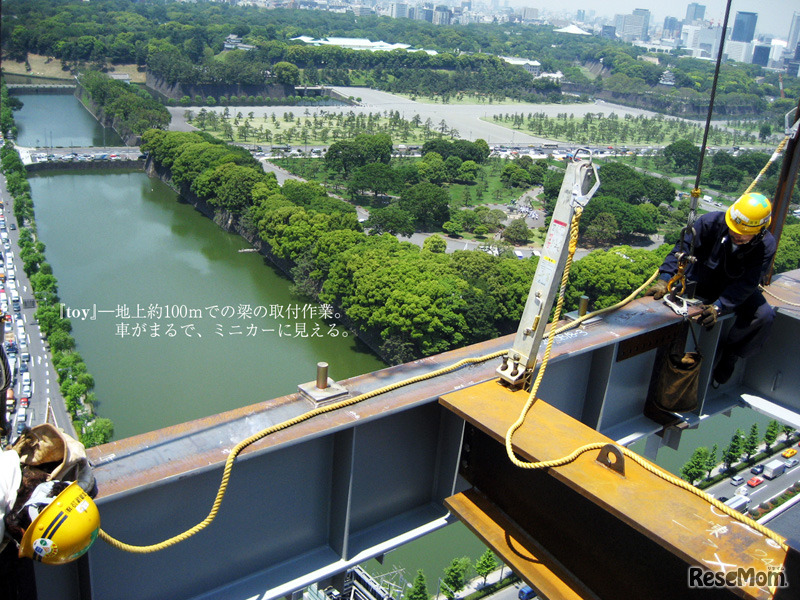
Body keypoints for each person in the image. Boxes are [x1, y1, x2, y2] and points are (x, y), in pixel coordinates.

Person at [646, 193, 777, 386]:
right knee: (668, 308)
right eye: (735, 230)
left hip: (734, 290)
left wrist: (719, 306)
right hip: (700, 280)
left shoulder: (765, 246)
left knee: (764, 316)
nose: (738, 235)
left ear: (760, 231)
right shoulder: (710, 223)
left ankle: (733, 352)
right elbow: (680, 251)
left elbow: (747, 283)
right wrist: (665, 279)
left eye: (744, 233)